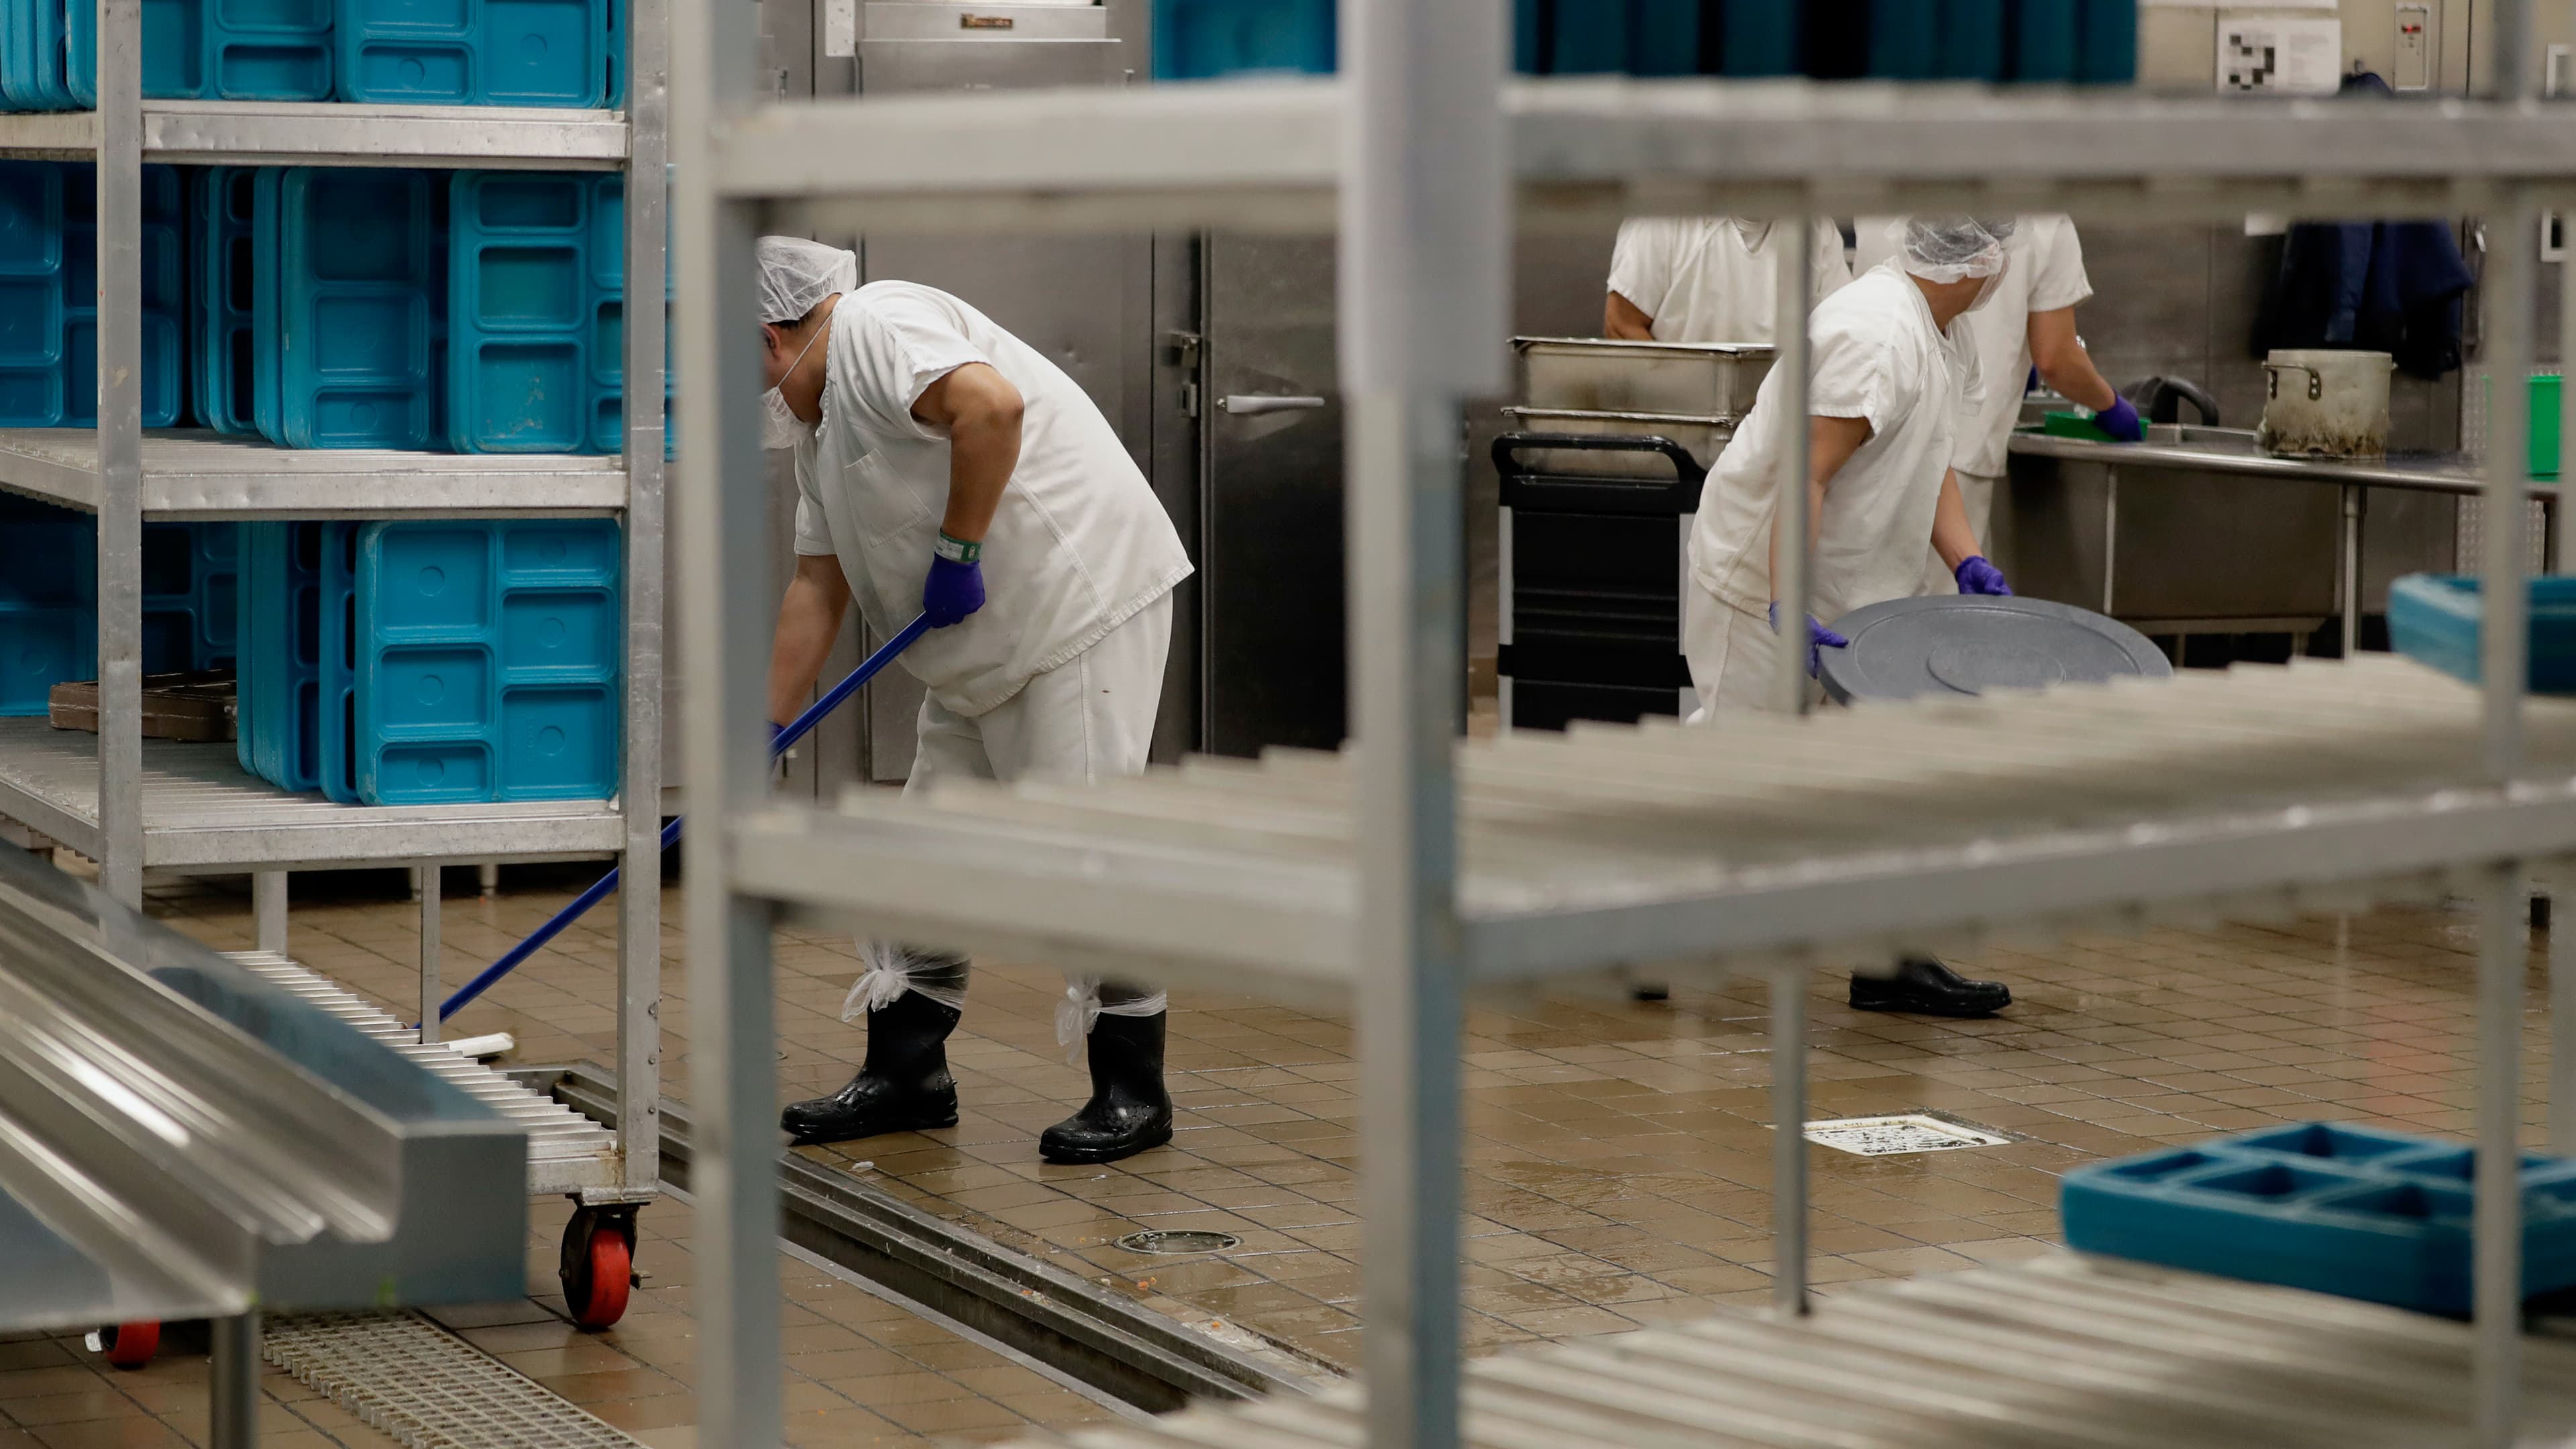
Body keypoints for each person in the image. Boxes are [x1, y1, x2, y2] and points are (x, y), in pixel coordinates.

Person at [755, 236, 1195, 1164]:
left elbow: (990, 407)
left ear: (768, 337)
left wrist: (958, 550)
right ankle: (909, 1075)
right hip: (973, 648)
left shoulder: (875, 325)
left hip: (1075, 607)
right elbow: (816, 587)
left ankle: (1133, 1090)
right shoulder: (820, 430)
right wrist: (761, 725)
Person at [1682, 217, 2020, 1018]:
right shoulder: (1873, 332)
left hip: (1853, 596)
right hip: (1765, 584)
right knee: (1740, 773)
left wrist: (1965, 557)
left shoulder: (1943, 331)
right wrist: (1789, 601)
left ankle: (1889, 956)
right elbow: (1807, 472)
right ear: (1983, 258)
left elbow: (1928, 450)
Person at [1853, 213, 2143, 594]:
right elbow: (2056, 357)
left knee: (1870, 612)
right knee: (1931, 622)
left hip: (1870, 440)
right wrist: (2111, 407)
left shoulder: (1885, 177)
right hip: (1962, 446)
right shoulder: (2044, 218)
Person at [1605, 216, 1852, 343]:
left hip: (1779, 423)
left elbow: (1840, 337)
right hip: (1677, 424)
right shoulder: (1666, 214)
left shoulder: (1816, 228)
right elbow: (1622, 325)